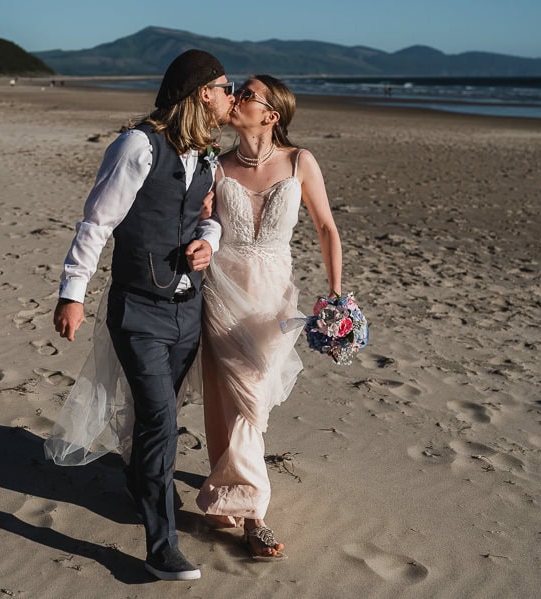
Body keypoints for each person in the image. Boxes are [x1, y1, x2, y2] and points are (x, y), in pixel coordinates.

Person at [47, 50, 234, 581]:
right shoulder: (137, 146)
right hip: (138, 312)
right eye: (225, 86)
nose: (230, 94)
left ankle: (138, 483)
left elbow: (210, 218)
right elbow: (96, 222)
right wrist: (72, 294)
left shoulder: (208, 157)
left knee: (157, 417)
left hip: (188, 312)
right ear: (202, 91)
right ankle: (161, 544)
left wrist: (209, 243)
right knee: (161, 422)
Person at [195, 75, 342, 560]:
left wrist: (336, 294)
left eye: (248, 94)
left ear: (271, 115)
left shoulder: (300, 162)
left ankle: (232, 491)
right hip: (222, 288)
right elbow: (205, 224)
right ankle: (254, 515)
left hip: (274, 297)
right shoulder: (217, 165)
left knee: (253, 396)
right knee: (229, 398)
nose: (236, 98)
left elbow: (325, 227)